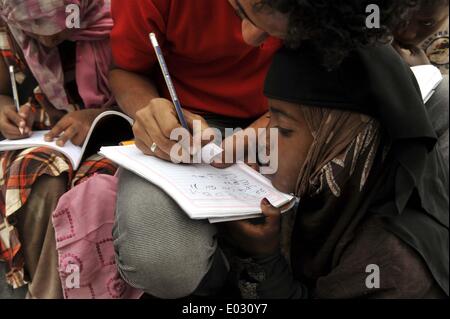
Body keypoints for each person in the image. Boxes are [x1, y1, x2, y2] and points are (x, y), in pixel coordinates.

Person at [110, 0, 422, 298]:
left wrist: (271, 129)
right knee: (163, 262)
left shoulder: (343, 13)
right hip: (190, 128)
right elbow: (125, 70)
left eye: (280, 31)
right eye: (238, 9)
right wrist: (150, 112)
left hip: (300, 117)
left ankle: (259, 273)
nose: (248, 38)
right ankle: (232, 279)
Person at [223, 44, 449, 298]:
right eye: (268, 121)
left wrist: (265, 259)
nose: (264, 141)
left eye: (284, 129)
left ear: (346, 146)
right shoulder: (338, 188)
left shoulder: (388, 265)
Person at [0, 0, 116, 298]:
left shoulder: (123, 14)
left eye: (52, 26)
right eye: (34, 28)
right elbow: (2, 91)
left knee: (89, 194)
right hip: (49, 130)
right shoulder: (9, 20)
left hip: (128, 133)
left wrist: (97, 117)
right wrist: (4, 110)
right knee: (37, 175)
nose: (47, 39)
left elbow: (155, 92)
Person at [393, 0, 449, 162]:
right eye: (399, 16)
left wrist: (425, 73)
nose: (408, 33)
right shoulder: (371, 16)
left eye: (427, 22)